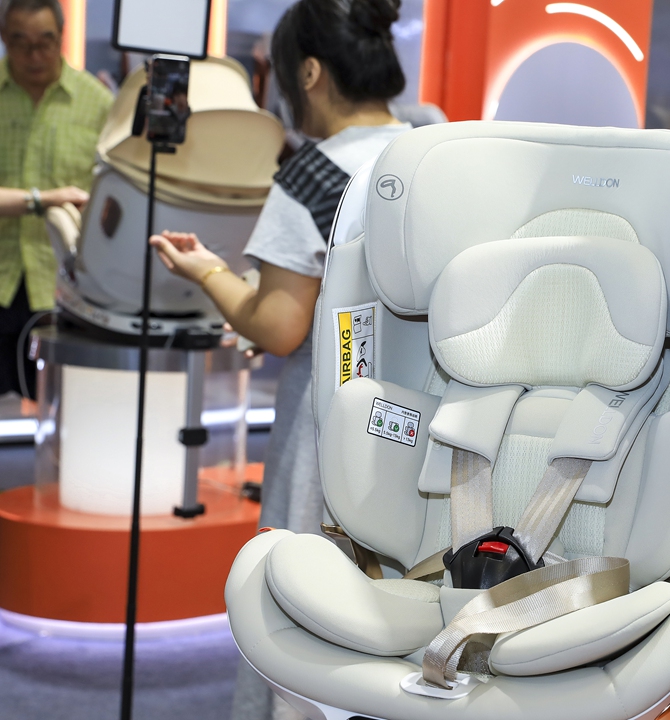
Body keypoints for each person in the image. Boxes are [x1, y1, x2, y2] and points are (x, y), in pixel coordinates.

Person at [146, 1, 408, 717]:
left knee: (303, 598)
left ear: (311, 73)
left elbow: (279, 324)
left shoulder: (314, 175)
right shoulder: (436, 150)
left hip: (331, 422)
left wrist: (204, 272)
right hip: (424, 419)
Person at [0, 0, 112, 398]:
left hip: (63, 287)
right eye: (21, 43)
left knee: (64, 414)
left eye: (45, 42)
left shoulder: (97, 103)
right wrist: (43, 200)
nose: (35, 56)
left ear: (61, 38)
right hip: (3, 273)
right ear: (3, 39)